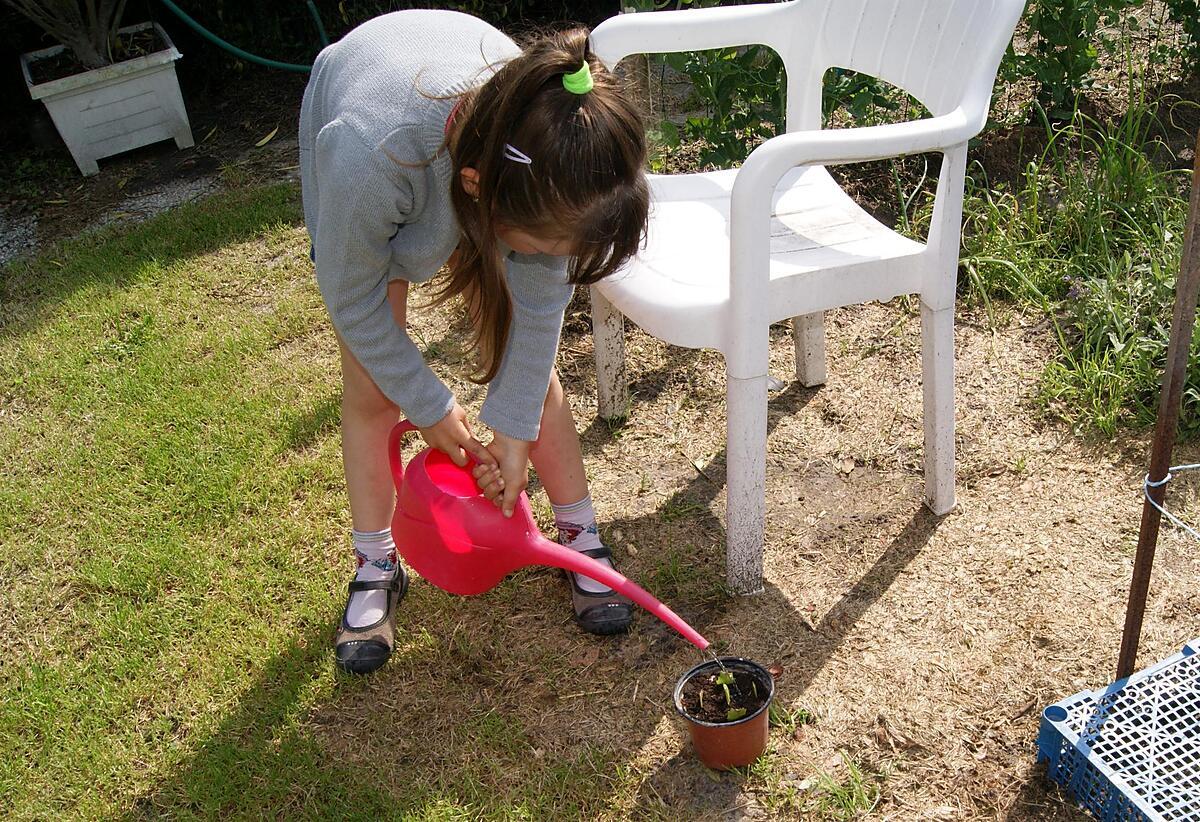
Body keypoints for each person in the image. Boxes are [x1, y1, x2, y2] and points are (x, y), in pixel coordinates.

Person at [299, 8, 650, 674]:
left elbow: (539, 315)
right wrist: (428, 405)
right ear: (479, 193)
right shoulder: (367, 155)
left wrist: (512, 434)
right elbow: (353, 298)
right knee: (374, 386)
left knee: (529, 371)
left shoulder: (554, 156)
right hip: (371, 132)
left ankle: (578, 535)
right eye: (550, 249)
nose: (556, 263)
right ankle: (376, 565)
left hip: (475, 150)